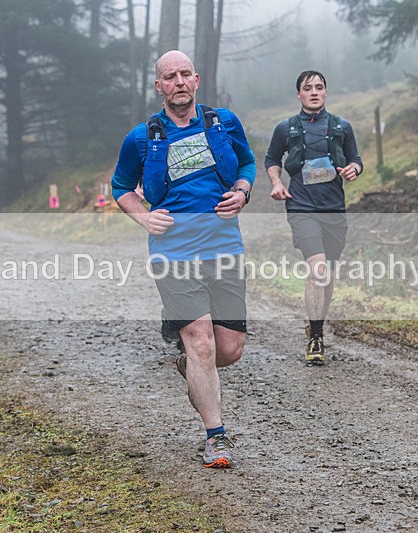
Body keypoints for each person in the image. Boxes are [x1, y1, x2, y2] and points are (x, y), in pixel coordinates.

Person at [112, 50, 255, 468]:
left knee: (229, 349)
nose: (178, 81)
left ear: (196, 80)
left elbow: (246, 163)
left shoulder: (223, 122)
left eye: (185, 74)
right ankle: (216, 436)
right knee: (202, 342)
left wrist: (242, 192)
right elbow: (121, 187)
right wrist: (144, 216)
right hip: (173, 253)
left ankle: (187, 362)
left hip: (224, 248)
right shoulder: (141, 138)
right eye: (169, 76)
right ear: (158, 86)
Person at [265, 70, 362, 365]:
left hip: (334, 208)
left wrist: (354, 170)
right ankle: (316, 337)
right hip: (301, 208)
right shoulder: (285, 128)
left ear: (326, 92)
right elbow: (272, 159)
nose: (314, 92)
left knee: (328, 274)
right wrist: (277, 182)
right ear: (299, 95)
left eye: (319, 87)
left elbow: (356, 159)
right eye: (308, 88)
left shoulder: (342, 127)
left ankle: (315, 323)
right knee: (318, 269)